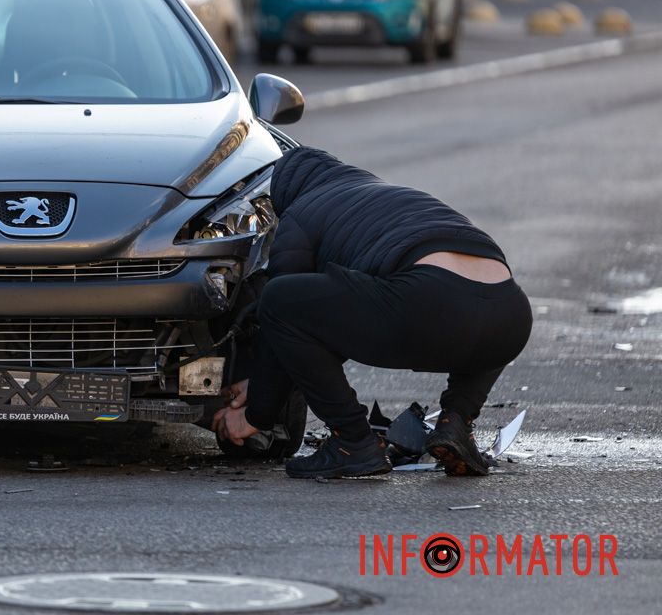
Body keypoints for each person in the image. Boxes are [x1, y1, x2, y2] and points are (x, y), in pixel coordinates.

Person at [213, 147, 532, 479]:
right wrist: (261, 385)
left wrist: (255, 415)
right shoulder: (382, 194)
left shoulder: (301, 210)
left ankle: (353, 441)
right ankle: (456, 423)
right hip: (510, 314)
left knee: (278, 298)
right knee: (476, 314)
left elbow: (285, 316)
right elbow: (332, 317)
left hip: (430, 304)